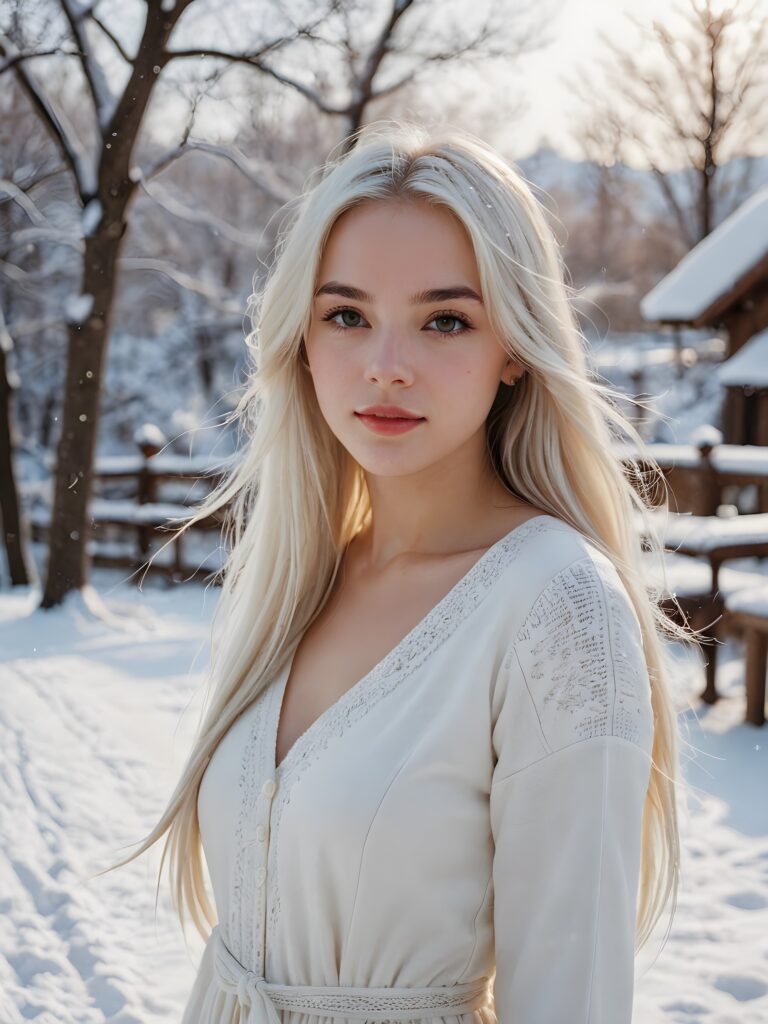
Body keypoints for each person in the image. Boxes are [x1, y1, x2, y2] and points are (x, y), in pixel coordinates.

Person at [114, 120, 686, 1023]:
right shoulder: (303, 580)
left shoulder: (558, 607)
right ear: (301, 340)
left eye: (444, 320)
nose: (385, 368)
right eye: (347, 315)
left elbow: (571, 997)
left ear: (513, 350)